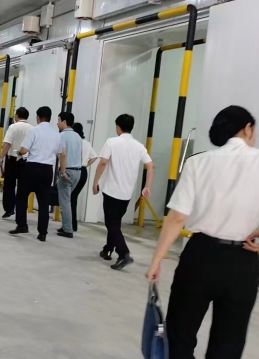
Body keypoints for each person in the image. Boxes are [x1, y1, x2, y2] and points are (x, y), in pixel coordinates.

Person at [146, 106, 259, 359]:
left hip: (200, 256)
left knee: (180, 334)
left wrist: (156, 260)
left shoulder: (198, 162)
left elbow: (177, 217)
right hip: (243, 261)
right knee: (229, 342)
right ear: (247, 129)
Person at [92, 114, 154, 270]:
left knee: (111, 223)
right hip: (127, 194)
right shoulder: (139, 146)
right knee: (115, 223)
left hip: (112, 191)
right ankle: (108, 249)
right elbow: (150, 166)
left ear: (118, 127)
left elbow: (103, 162)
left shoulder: (111, 142)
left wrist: (95, 182)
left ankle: (123, 253)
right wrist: (147, 186)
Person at [9, 106, 61, 241]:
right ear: (50, 118)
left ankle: (22, 225)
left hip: (32, 168)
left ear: (38, 117)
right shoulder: (56, 134)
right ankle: (42, 233)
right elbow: (60, 153)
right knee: (44, 202)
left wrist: (19, 152)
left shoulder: (34, 131)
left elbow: (24, 150)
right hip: (47, 170)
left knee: (21, 196)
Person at [0, 107, 33, 219]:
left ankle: (9, 209)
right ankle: (21, 210)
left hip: (13, 160)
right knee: (23, 187)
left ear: (17, 116)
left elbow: (7, 144)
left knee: (9, 185)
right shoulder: (32, 129)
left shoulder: (13, 127)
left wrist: (1, 157)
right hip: (27, 160)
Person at [56, 111, 82, 239]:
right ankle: (66, 225)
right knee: (68, 200)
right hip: (78, 171)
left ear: (64, 122)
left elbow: (63, 154)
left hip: (67, 171)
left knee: (65, 202)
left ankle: (68, 229)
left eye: (59, 120)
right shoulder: (78, 136)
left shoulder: (62, 136)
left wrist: (62, 172)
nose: (57, 123)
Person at [70, 123, 97, 232]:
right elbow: (94, 157)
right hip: (83, 171)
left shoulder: (74, 142)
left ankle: (70, 225)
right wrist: (85, 164)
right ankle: (72, 225)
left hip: (74, 170)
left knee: (69, 198)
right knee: (73, 197)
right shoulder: (87, 143)